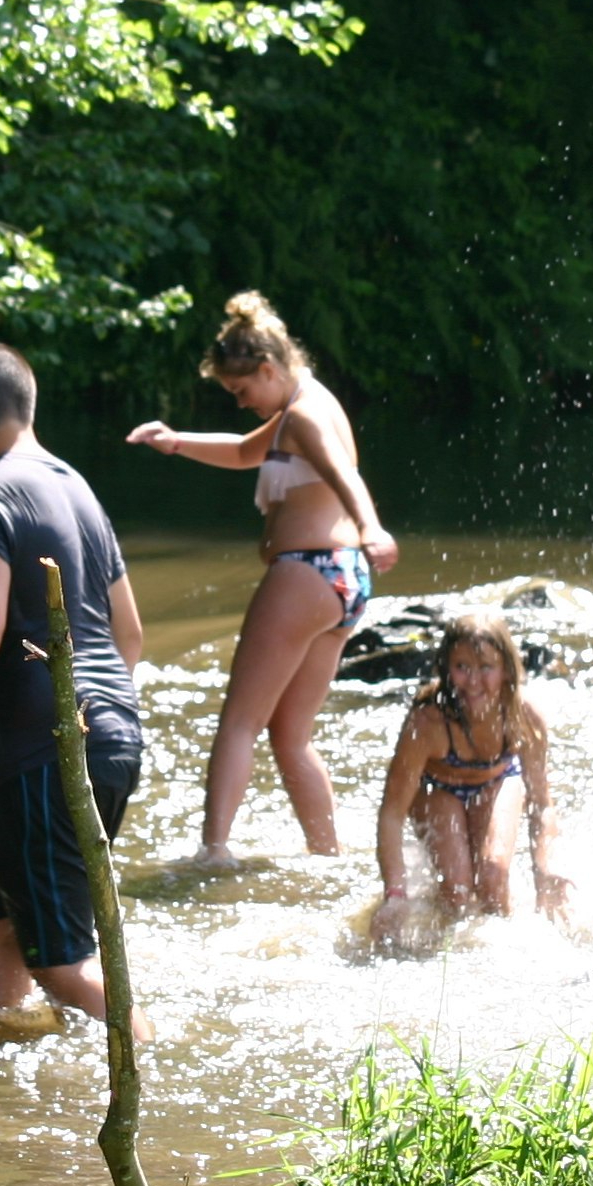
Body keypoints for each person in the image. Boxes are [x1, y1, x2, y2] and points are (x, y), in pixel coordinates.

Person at [0, 343, 151, 1029]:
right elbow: (128, 633)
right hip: (109, 735)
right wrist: (96, 714)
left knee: (60, 963)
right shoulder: (77, 487)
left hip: (50, 755)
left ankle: (153, 1061)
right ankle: (3, 1066)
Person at [127, 292, 397, 862]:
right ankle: (328, 856)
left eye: (242, 390)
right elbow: (244, 451)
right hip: (341, 583)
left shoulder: (301, 416)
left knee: (240, 721)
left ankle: (213, 852)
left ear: (270, 369)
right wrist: (174, 441)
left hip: (308, 572)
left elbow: (342, 474)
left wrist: (373, 525)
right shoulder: (303, 409)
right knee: (290, 734)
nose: (241, 402)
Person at [369, 611, 567, 948]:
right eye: (462, 667)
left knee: (492, 876)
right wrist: (396, 894)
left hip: (498, 780)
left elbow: (542, 804)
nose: (473, 682)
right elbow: (391, 812)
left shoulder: (524, 716)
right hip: (437, 788)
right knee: (458, 888)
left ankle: (502, 958)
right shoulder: (427, 723)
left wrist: (544, 870)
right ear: (446, 668)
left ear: (506, 670)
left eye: (486, 668)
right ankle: (447, 955)